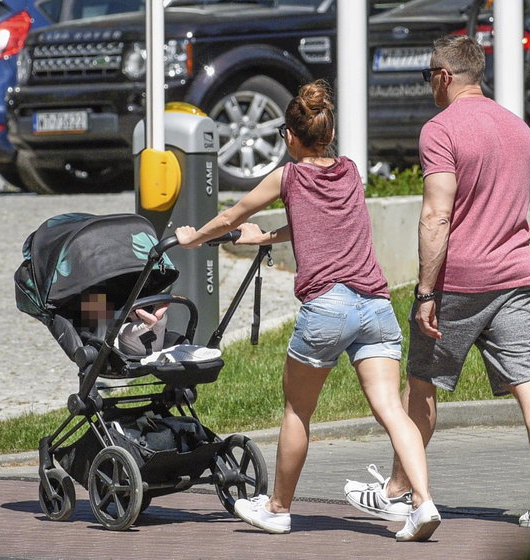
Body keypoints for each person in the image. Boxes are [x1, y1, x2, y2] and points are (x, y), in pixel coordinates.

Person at [175, 80, 441, 541]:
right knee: (393, 411)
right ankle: (422, 504)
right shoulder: (351, 172)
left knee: (298, 411)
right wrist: (268, 237)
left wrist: (193, 238)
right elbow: (322, 225)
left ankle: (278, 508)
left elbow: (230, 215)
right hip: (375, 306)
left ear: (290, 137)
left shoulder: (288, 177)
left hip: (328, 307)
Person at [345, 34, 530, 529]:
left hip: (460, 282)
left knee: (422, 385)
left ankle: (399, 491)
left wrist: (426, 291)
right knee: (528, 381)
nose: (429, 84)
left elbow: (435, 217)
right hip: (517, 275)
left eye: (429, 75)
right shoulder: (520, 130)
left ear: (446, 76)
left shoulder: (440, 130)